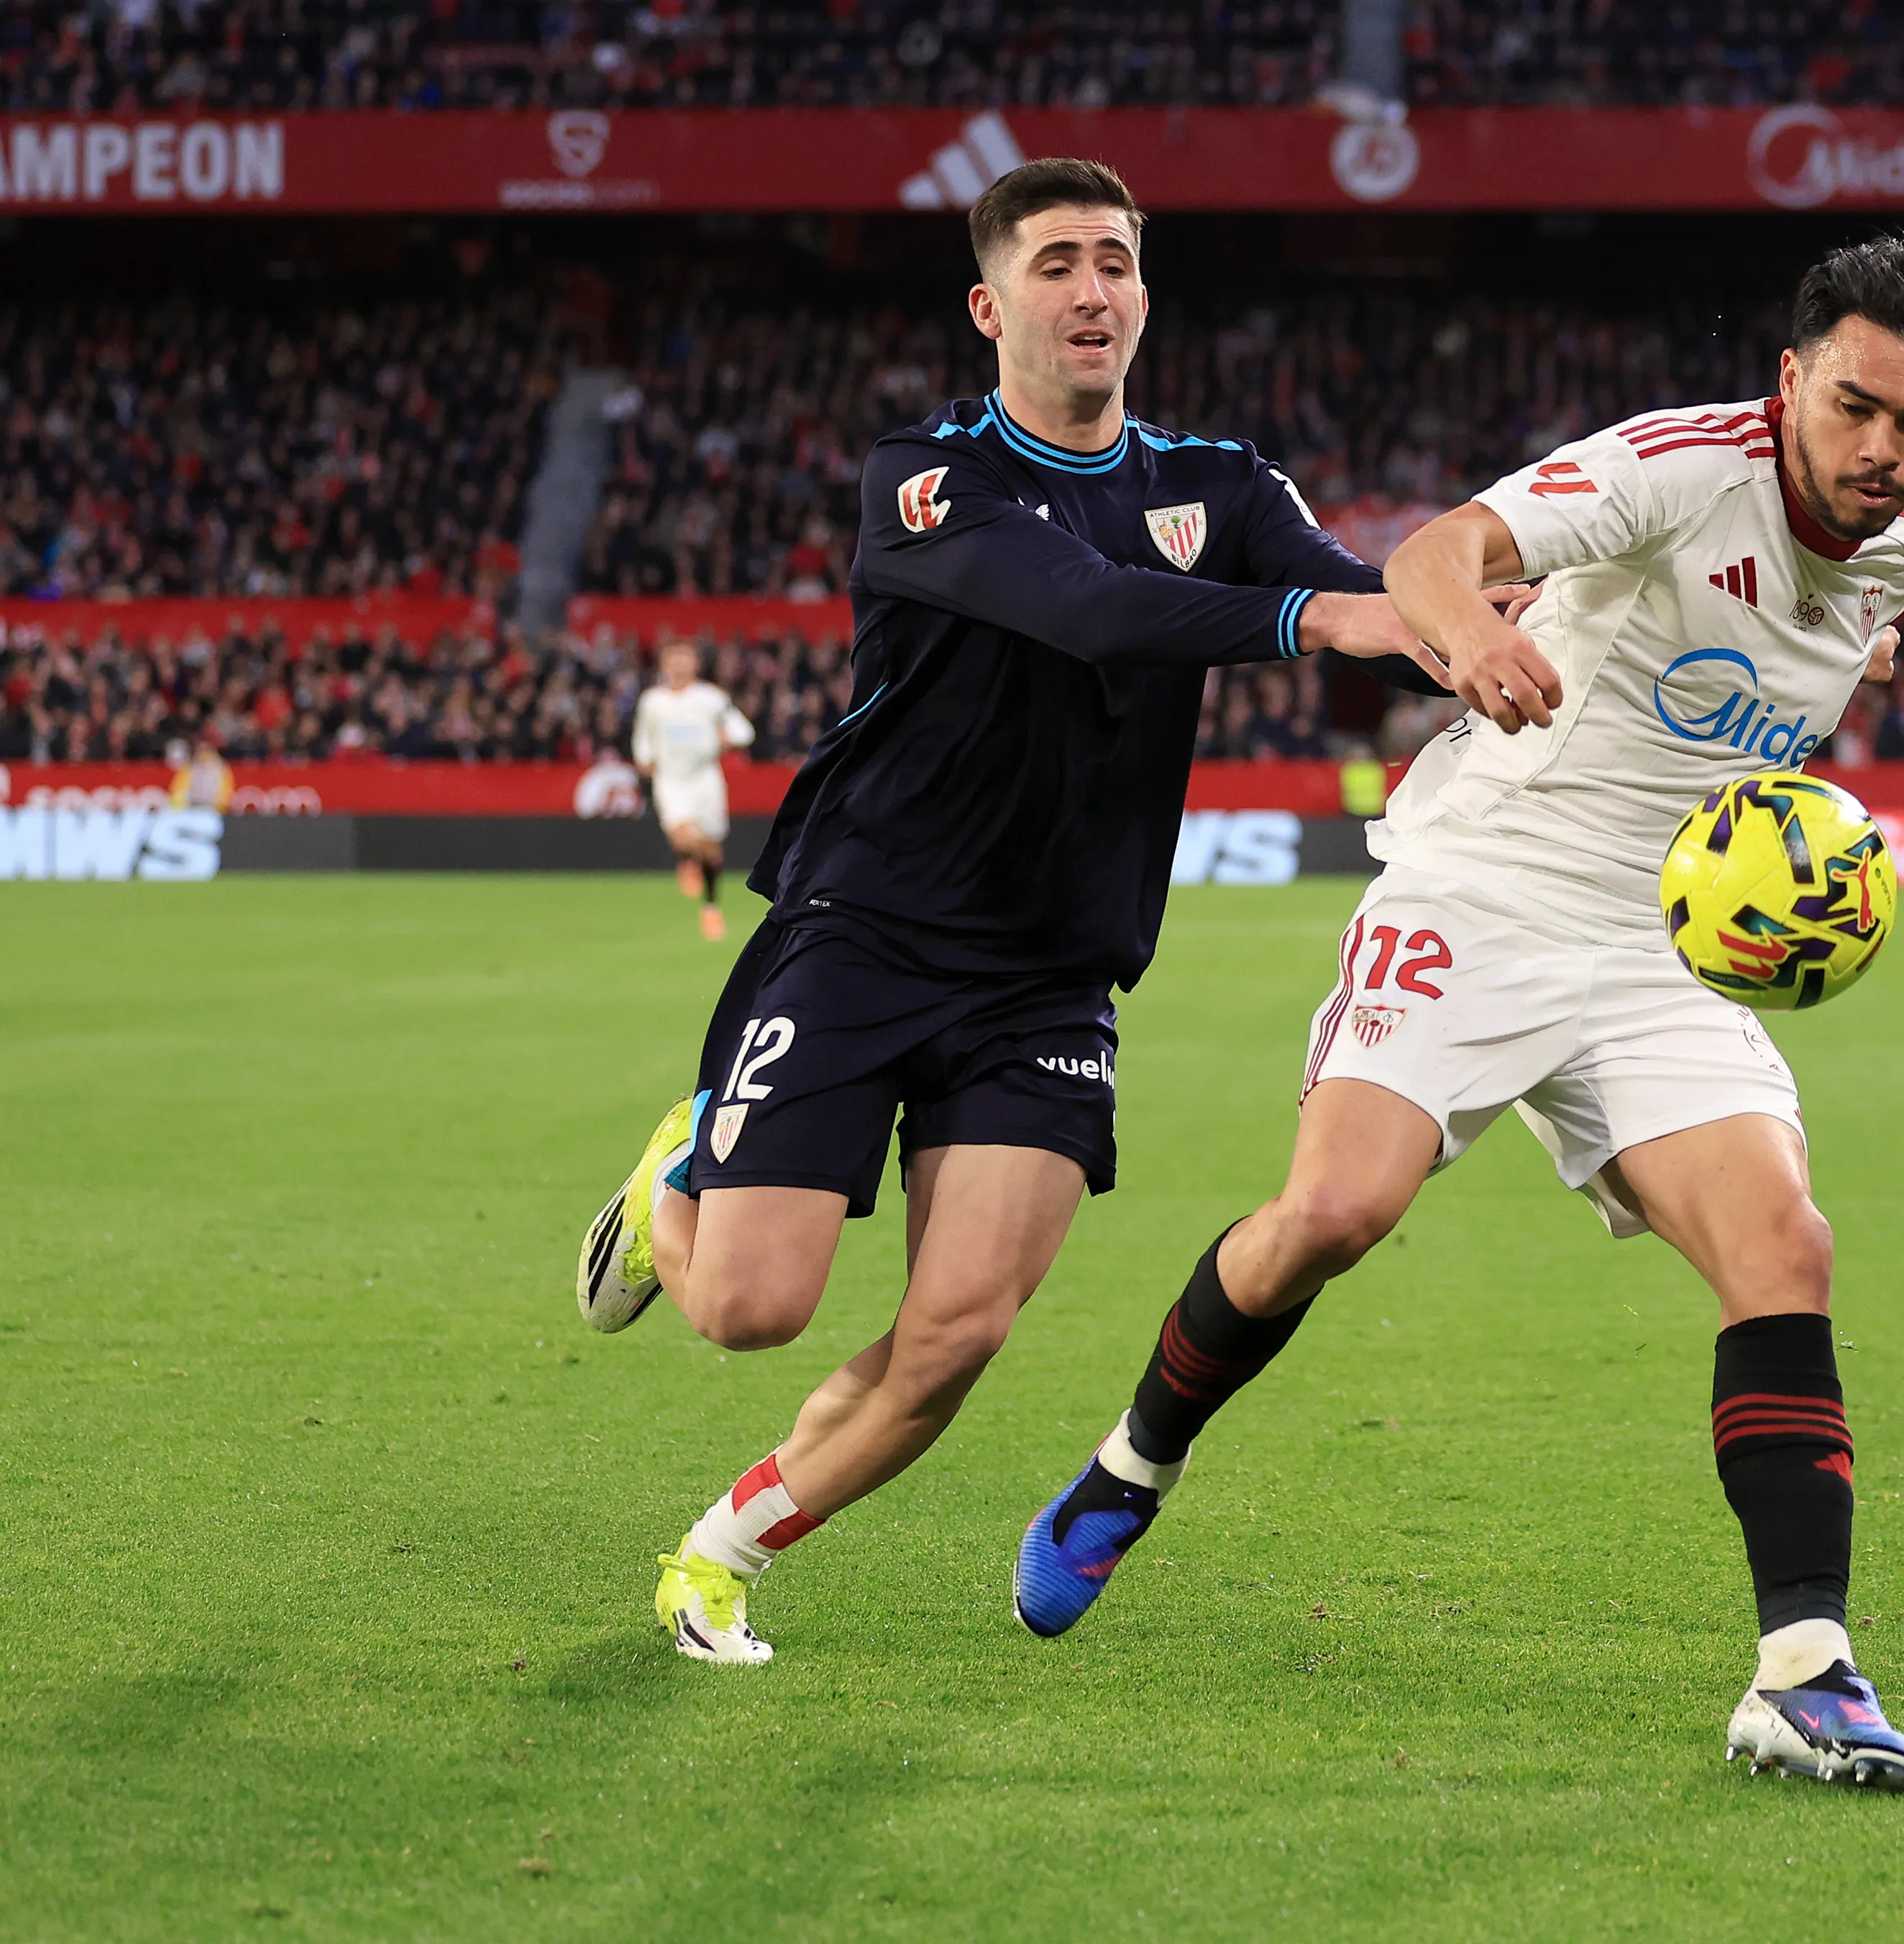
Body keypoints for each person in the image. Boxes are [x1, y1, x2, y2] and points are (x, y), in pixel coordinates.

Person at [1011, 237, 1904, 1794]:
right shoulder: (1679, 467)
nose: (1884, 447)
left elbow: (1800, 657)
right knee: (1334, 1211)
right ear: (1791, 380)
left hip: (1661, 945)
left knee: (1784, 1246)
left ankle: (1804, 1672)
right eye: (1855, 406)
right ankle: (1131, 1464)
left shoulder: (1893, 555)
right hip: (1483, 886)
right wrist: (1471, 633)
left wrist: (1844, 684)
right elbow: (1434, 553)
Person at [568, 158, 1450, 1666]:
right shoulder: (926, 475)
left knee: (959, 1329)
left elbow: (1374, 605)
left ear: (1144, 293)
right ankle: (675, 1184)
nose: (1092, 289)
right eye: (1055, 264)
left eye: (1115, 260)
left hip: (1051, 971)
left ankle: (718, 1555)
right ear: (989, 307)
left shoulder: (1223, 484)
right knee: (750, 1308)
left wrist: (1541, 623)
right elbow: (1094, 607)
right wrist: (1333, 615)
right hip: (865, 928)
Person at [631, 638, 756, 941]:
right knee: (684, 836)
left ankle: (710, 908)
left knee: (712, 851)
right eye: (673, 660)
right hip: (671, 780)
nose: (679, 665)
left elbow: (744, 731)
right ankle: (686, 859)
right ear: (664, 665)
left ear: (695, 664)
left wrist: (729, 738)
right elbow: (643, 736)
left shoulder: (712, 698)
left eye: (685, 659)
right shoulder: (653, 702)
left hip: (705, 780)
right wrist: (644, 759)